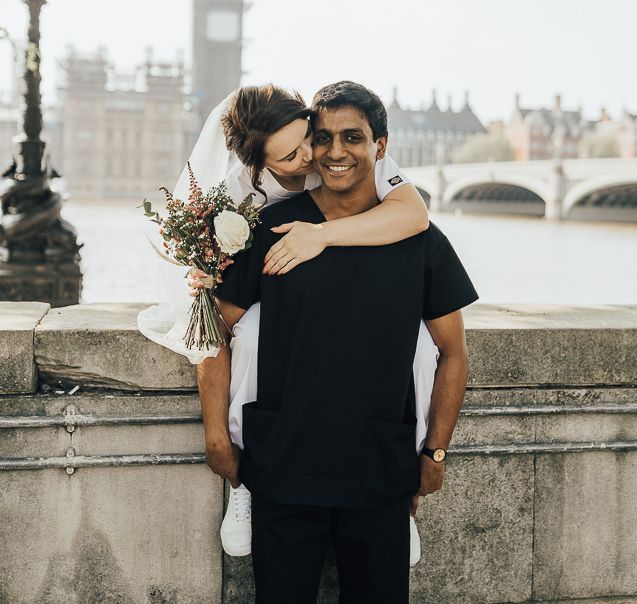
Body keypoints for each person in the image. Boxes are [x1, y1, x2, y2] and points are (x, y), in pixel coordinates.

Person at [199, 80, 478, 602]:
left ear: (381, 145)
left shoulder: (422, 241)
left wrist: (435, 453)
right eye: (322, 137)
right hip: (283, 467)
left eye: (352, 137)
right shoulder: (268, 227)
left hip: (380, 470)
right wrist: (217, 434)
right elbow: (214, 329)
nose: (334, 152)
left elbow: (454, 355)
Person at [140, 84, 435, 564]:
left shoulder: (339, 144)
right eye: (289, 156)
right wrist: (208, 271)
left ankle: (399, 486)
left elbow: (413, 214)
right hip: (265, 290)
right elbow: (219, 302)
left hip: (338, 278)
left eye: (307, 141)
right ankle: (247, 483)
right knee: (254, 338)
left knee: (420, 347)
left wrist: (319, 237)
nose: (310, 159)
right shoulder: (232, 192)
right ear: (258, 164)